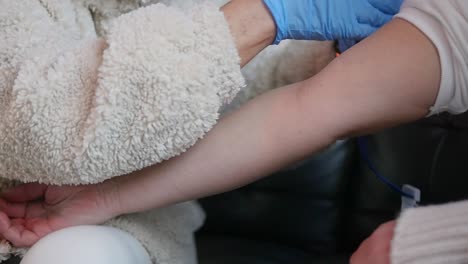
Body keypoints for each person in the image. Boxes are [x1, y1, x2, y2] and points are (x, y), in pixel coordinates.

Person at [1, 0, 467, 263]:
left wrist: (317, 53)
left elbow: (279, 100)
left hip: (112, 231)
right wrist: (262, 17)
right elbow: (305, 112)